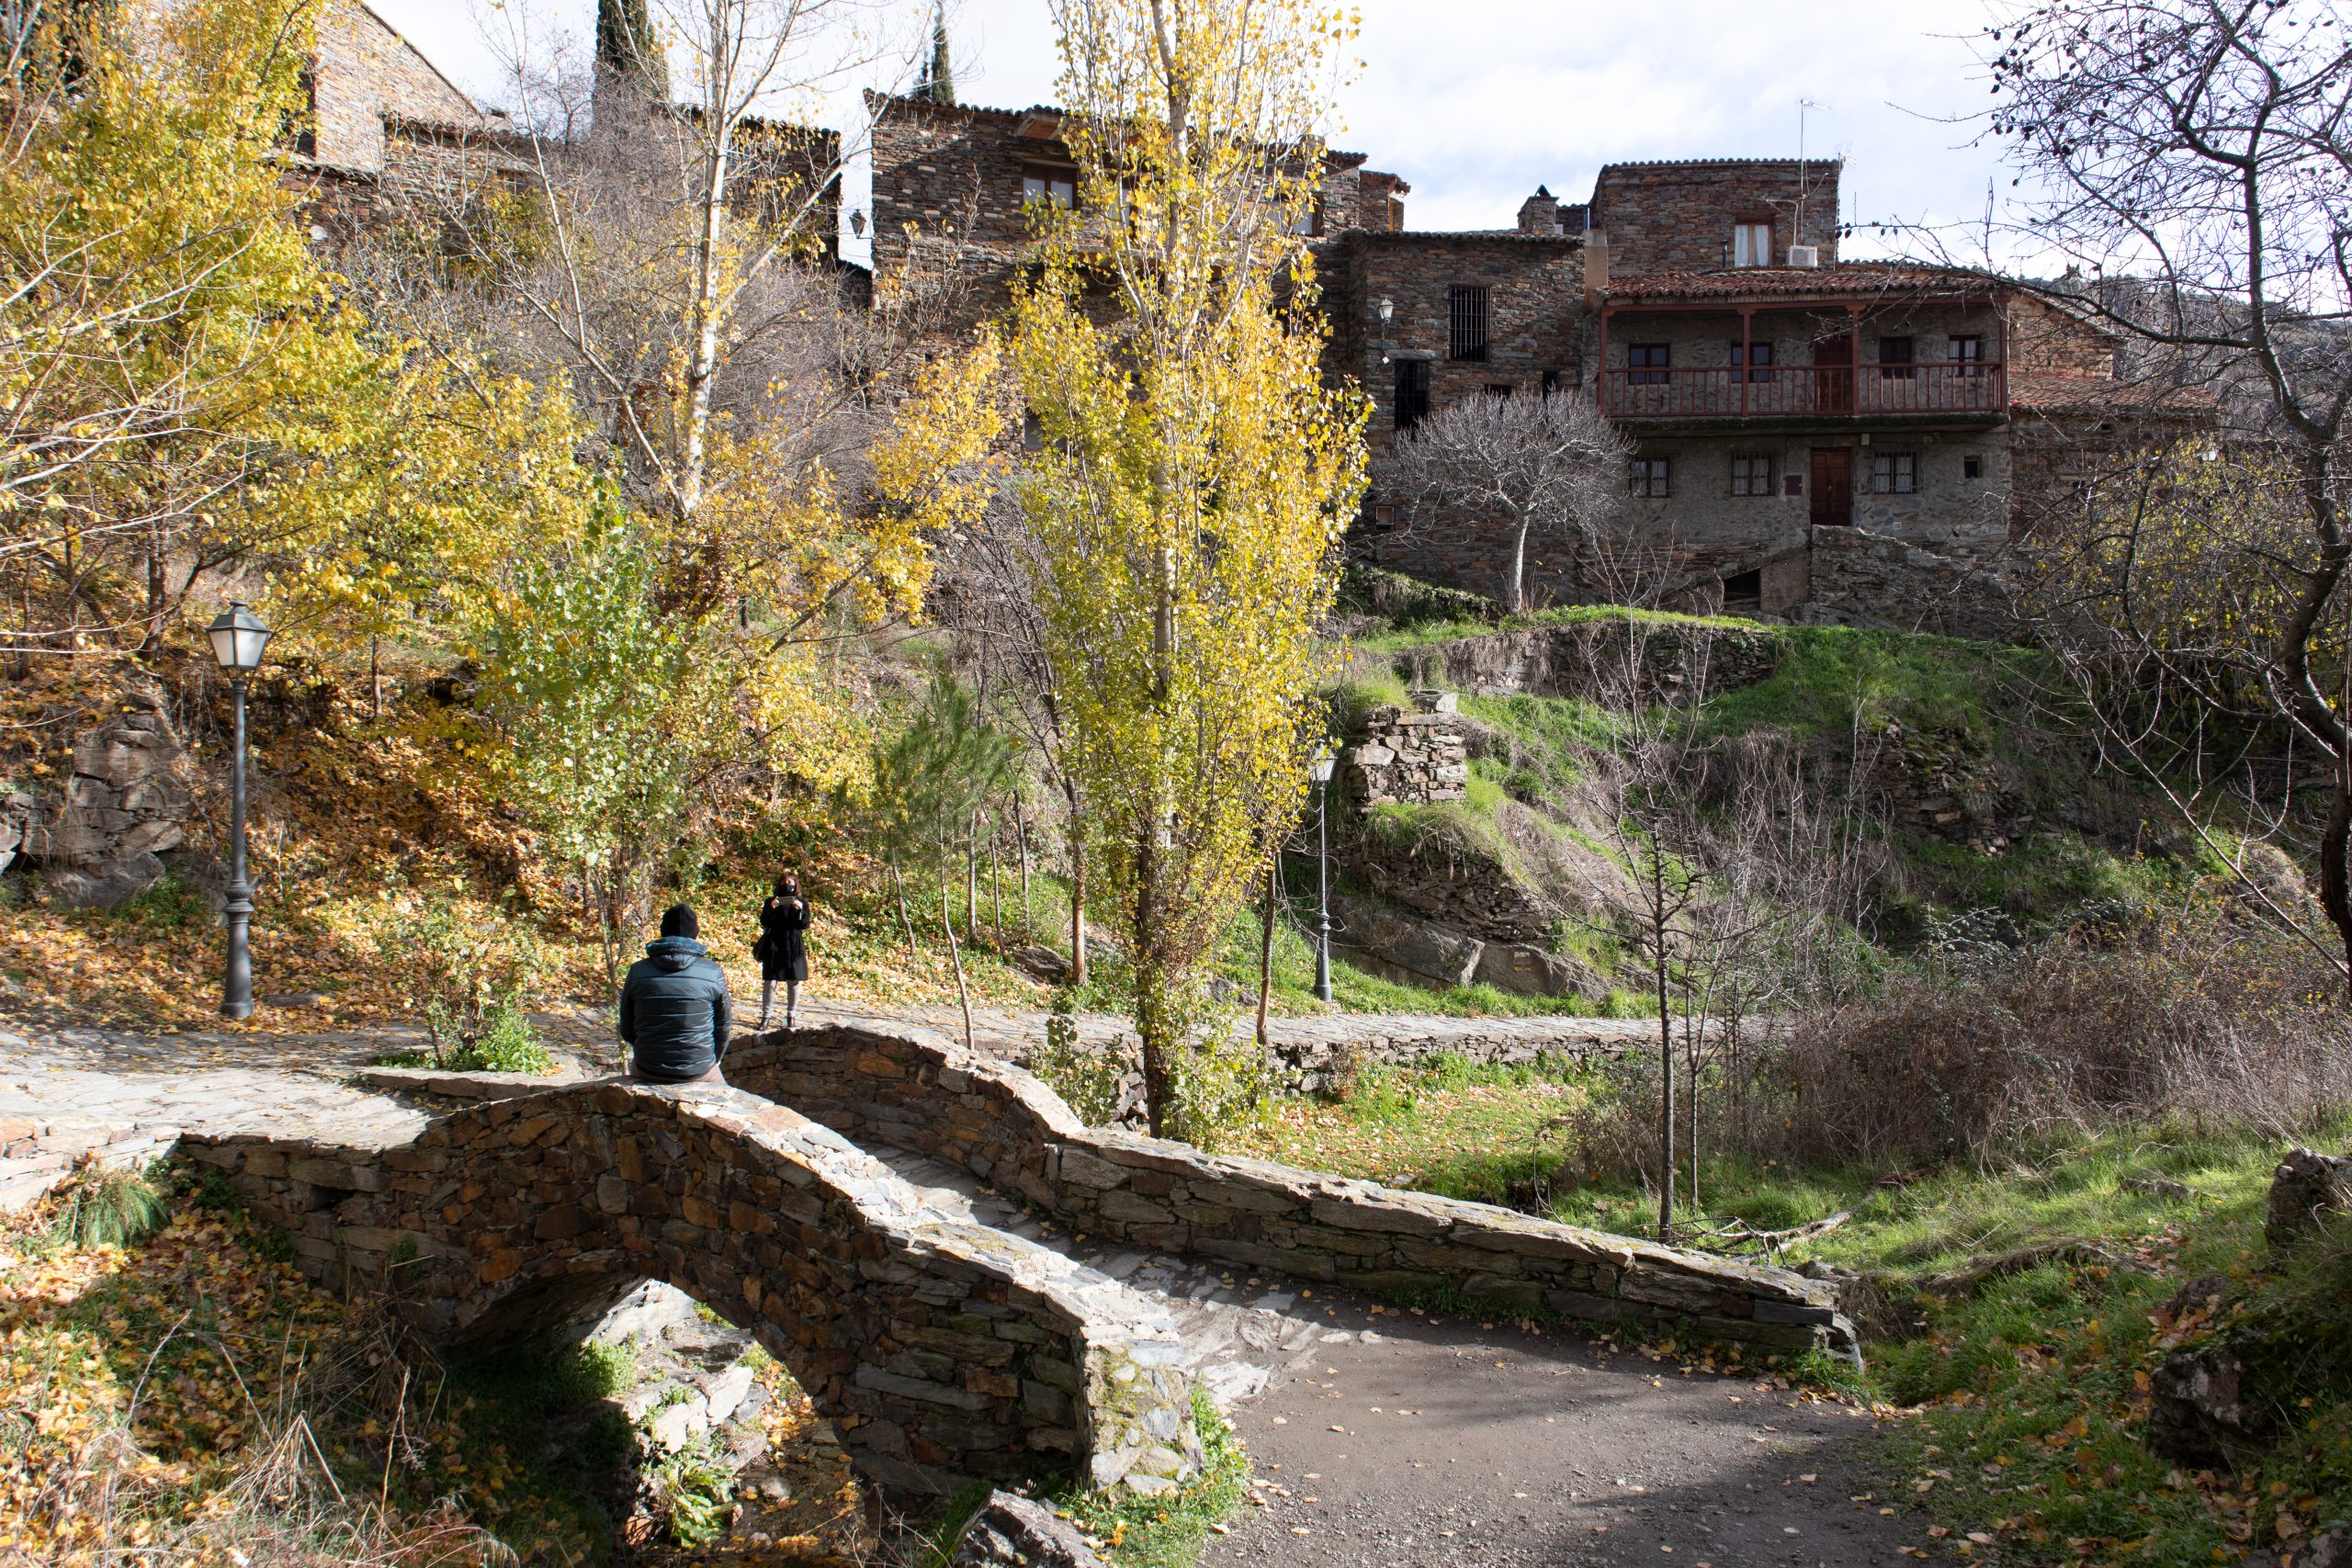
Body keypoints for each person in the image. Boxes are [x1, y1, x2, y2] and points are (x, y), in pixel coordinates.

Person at [618, 904, 733, 1083]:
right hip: (699, 1069)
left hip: (648, 1067)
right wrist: (712, 1060)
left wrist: (650, 1052)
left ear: (663, 931)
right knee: (728, 1102)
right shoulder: (713, 971)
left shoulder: (638, 970)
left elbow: (627, 1028)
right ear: (695, 933)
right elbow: (723, 1028)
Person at [754, 874, 812, 1031]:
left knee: (793, 982)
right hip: (774, 945)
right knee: (769, 982)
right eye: (784, 882)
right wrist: (772, 908)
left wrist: (799, 910)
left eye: (790, 882)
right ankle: (766, 1017)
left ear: (796, 884)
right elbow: (764, 922)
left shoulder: (802, 903)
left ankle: (791, 1016)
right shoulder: (770, 901)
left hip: (793, 946)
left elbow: (804, 925)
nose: (786, 884)